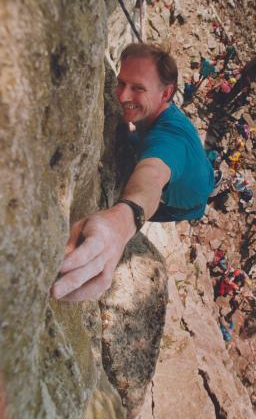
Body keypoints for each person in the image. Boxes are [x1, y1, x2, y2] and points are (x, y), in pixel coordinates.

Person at [52, 43, 214, 302]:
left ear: (166, 94)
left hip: (189, 202)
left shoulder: (169, 141)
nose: (123, 95)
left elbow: (152, 176)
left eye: (138, 88)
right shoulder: (158, 116)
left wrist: (122, 221)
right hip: (197, 168)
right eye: (121, 83)